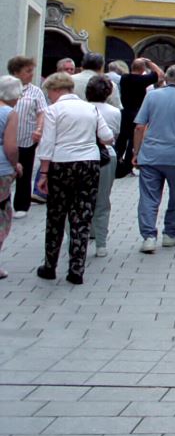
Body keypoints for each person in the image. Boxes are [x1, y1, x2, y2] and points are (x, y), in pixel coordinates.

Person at [35, 72, 114, 283]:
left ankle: (50, 266)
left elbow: (47, 143)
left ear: (57, 90)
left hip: (61, 164)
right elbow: (108, 137)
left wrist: (43, 173)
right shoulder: (91, 108)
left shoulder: (53, 110)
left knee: (56, 215)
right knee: (82, 214)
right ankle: (76, 270)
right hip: (89, 164)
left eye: (49, 93)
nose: (49, 97)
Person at [133, 65, 175, 254]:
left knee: (148, 197)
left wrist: (136, 152)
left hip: (151, 155)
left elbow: (139, 127)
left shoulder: (152, 96)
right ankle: (170, 234)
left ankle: (148, 237)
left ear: (166, 78)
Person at [7, 57, 47, 218]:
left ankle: (21, 204)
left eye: (32, 70)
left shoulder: (35, 91)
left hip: (26, 139)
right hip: (5, 139)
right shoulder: (5, 87)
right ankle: (5, 203)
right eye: (27, 71)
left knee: (25, 172)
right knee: (5, 172)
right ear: (16, 72)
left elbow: (42, 112)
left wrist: (39, 129)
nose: (31, 74)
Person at [85, 76, 121, 258]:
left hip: (83, 155)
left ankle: (78, 237)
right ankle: (101, 243)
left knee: (79, 198)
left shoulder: (83, 109)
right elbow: (114, 136)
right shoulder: (115, 112)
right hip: (107, 155)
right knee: (103, 200)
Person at [117, 59, 163, 173]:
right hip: (137, 112)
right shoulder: (143, 80)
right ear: (143, 69)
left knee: (122, 137)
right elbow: (160, 74)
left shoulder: (124, 78)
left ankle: (117, 160)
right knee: (134, 139)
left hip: (124, 111)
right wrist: (150, 63)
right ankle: (128, 164)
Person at [0, 75, 22, 278]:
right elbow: (10, 146)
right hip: (1, 168)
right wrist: (15, 164)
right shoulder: (9, 113)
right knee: (2, 214)